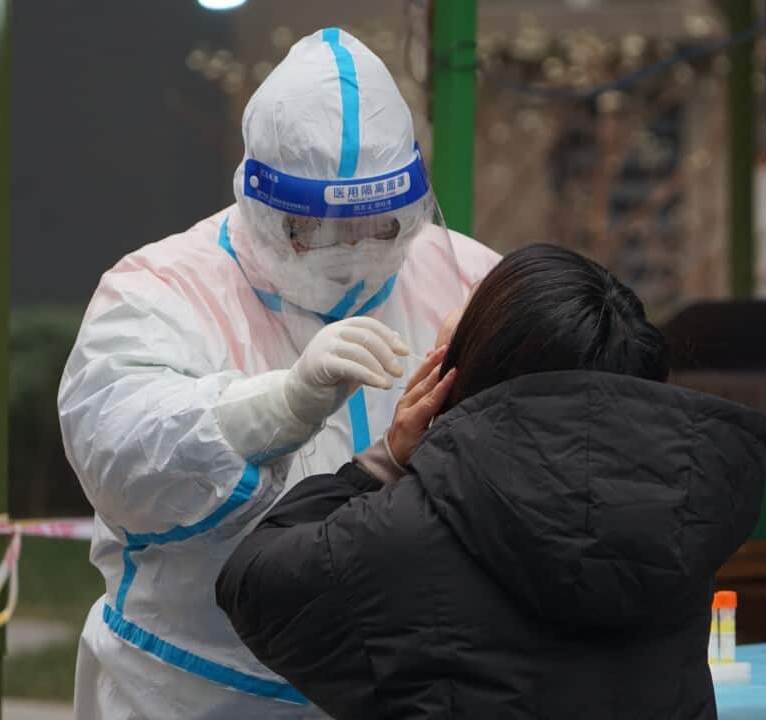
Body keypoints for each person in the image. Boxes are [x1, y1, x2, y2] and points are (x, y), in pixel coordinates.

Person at [58, 27, 497, 720]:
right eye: (315, 228)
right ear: (260, 201)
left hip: (404, 693)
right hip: (194, 692)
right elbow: (120, 454)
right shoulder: (158, 291)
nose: (351, 252)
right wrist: (278, 407)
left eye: (382, 225)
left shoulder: (470, 282)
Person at [216, 244, 766, 720]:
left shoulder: (404, 532)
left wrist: (384, 461)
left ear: (473, 364)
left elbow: (256, 583)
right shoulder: (681, 508)